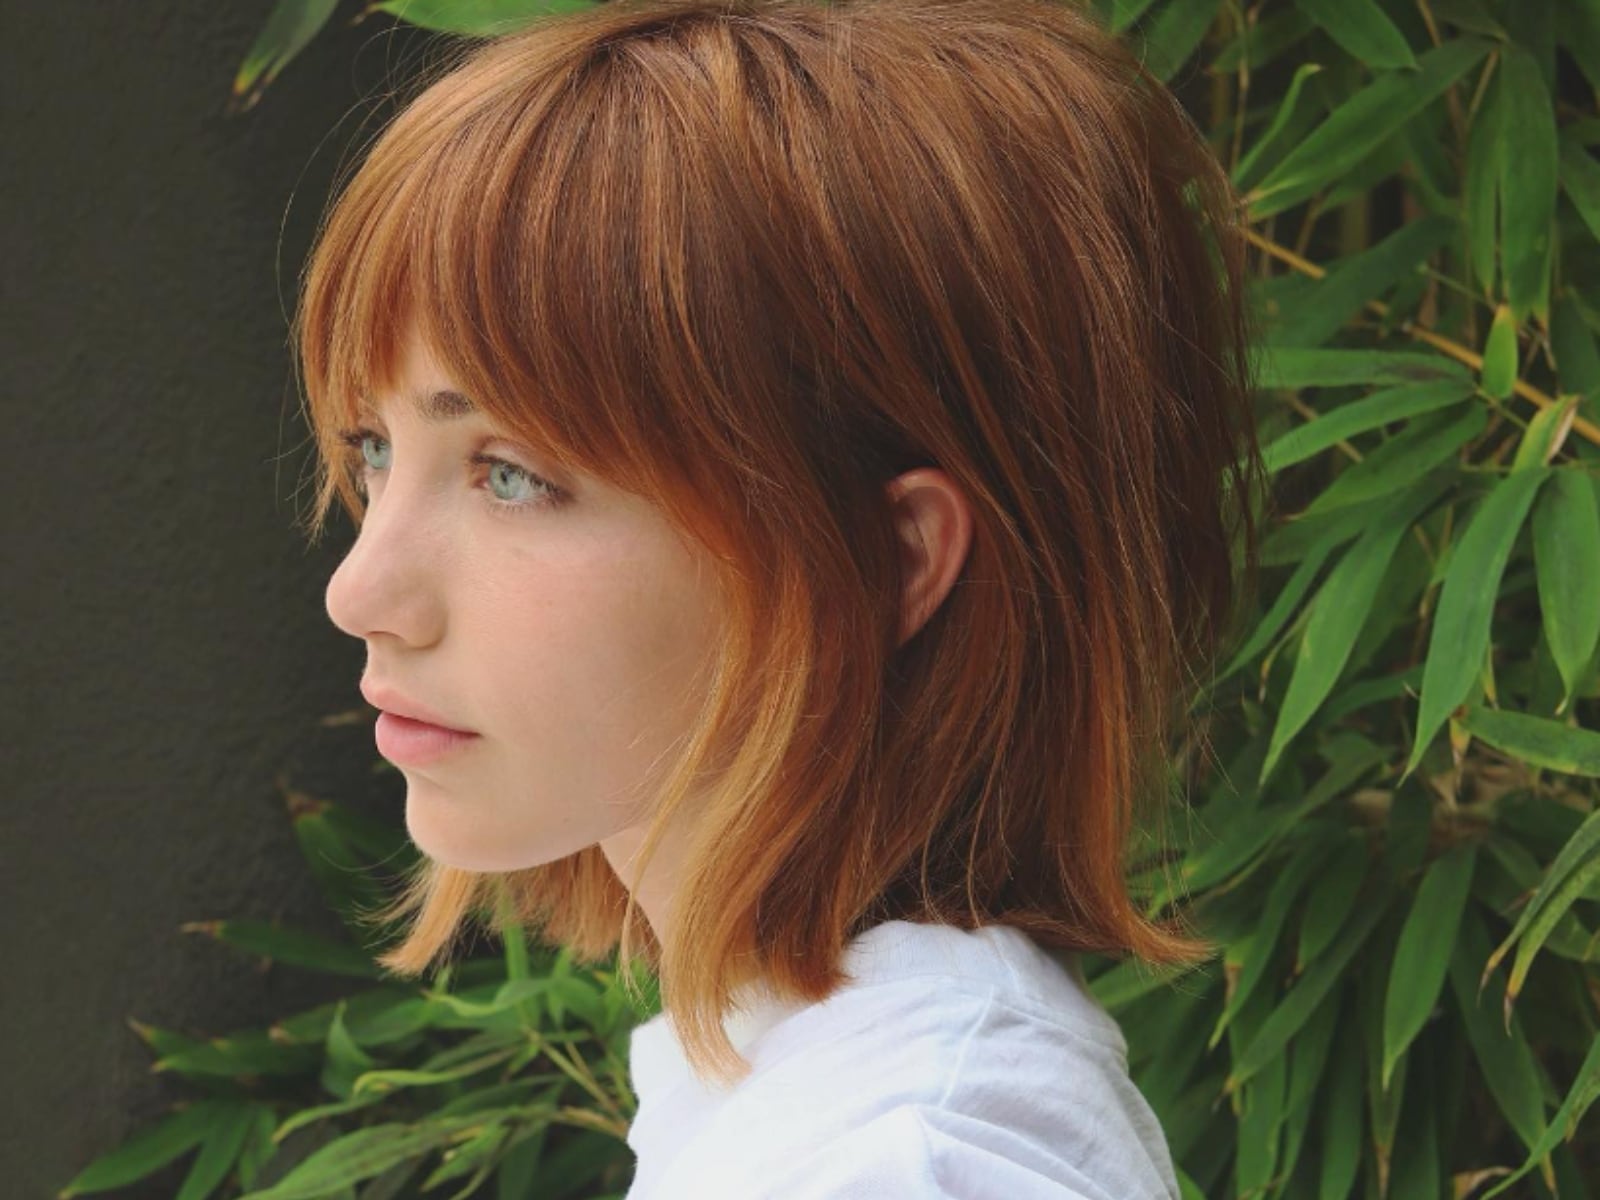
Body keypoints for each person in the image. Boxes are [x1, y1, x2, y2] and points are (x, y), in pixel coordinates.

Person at [296, 0, 1267, 1195]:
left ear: (892, 559)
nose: (361, 590)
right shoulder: (809, 1096)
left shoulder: (903, 1161)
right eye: (374, 448)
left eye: (511, 476)